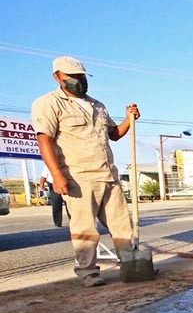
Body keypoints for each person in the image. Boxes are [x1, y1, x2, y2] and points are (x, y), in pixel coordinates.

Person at [32, 56, 139, 288]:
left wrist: (129, 119)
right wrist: (57, 176)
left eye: (81, 77)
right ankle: (88, 272)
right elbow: (44, 141)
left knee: (122, 226)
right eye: (72, 77)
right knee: (84, 229)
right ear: (57, 77)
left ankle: (131, 264)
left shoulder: (97, 105)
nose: (78, 82)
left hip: (108, 176)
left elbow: (115, 134)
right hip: (78, 177)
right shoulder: (48, 103)